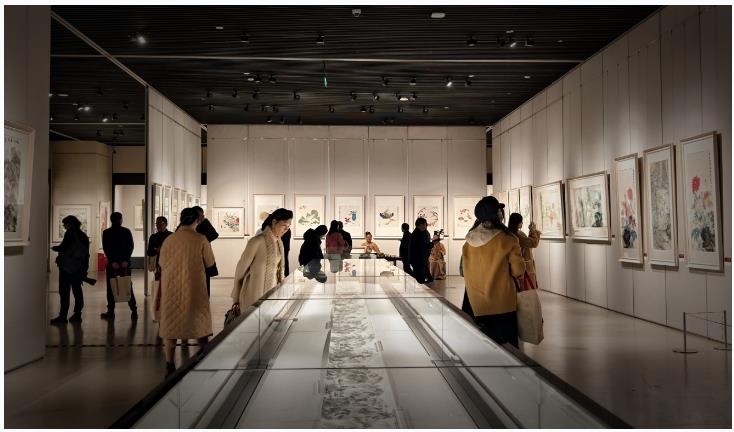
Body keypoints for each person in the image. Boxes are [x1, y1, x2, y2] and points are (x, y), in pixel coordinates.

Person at [157, 208, 217, 375]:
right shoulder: (200, 239)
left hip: (171, 288)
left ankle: (169, 363)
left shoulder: (169, 239)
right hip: (194, 286)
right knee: (199, 324)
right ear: (197, 220)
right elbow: (210, 263)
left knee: (171, 325)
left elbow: (161, 262)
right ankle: (203, 358)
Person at [462, 197, 525, 348]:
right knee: (507, 348)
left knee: (482, 347)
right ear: (497, 214)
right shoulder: (508, 239)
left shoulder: (468, 241)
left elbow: (463, 270)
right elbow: (518, 270)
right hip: (503, 303)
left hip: (476, 303)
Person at [231, 208, 293, 310]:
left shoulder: (279, 243)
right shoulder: (256, 241)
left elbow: (279, 271)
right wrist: (236, 297)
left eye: (288, 227)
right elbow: (240, 271)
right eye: (284, 225)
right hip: (253, 297)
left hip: (273, 296)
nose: (286, 230)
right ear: (274, 222)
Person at [50, 216, 90, 324]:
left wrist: (55, 248)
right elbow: (86, 254)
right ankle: (77, 314)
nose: (64, 226)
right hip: (78, 268)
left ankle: (63, 316)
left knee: (64, 292)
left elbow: (64, 247)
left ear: (69, 224)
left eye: (65, 224)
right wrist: (84, 269)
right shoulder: (83, 235)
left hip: (67, 268)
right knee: (77, 291)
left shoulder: (70, 233)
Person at [101, 212, 137, 321]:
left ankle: (111, 312)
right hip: (124, 264)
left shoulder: (106, 232)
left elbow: (106, 248)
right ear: (121, 220)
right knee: (127, 286)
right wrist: (126, 260)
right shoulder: (126, 231)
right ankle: (134, 310)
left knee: (111, 287)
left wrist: (112, 261)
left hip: (112, 264)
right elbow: (130, 246)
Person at [508, 213, 541, 290]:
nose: (522, 223)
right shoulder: (517, 235)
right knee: (525, 289)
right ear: (518, 223)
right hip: (522, 265)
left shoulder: (509, 234)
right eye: (521, 222)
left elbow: (527, 242)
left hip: (513, 266)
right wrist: (533, 231)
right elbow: (533, 243)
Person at [192, 206, 219, 297]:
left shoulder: (205, 222)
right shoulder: (189, 224)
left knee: (205, 277)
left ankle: (206, 297)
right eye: (201, 215)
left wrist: (203, 241)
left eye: (203, 215)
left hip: (203, 254)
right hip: (192, 255)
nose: (203, 216)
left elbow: (214, 235)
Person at [146, 216, 173, 282]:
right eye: (157, 223)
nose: (158, 225)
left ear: (166, 224)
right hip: (157, 265)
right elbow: (149, 252)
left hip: (169, 264)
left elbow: (174, 250)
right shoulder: (153, 237)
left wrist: (163, 249)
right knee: (158, 283)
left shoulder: (171, 235)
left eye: (160, 223)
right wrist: (156, 250)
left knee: (168, 283)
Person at [409, 218, 434, 283]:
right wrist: (431, 244)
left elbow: (423, 245)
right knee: (419, 276)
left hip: (421, 257)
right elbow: (420, 247)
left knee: (421, 273)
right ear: (420, 225)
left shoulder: (422, 232)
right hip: (418, 258)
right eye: (425, 224)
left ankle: (425, 281)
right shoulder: (417, 234)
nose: (426, 225)